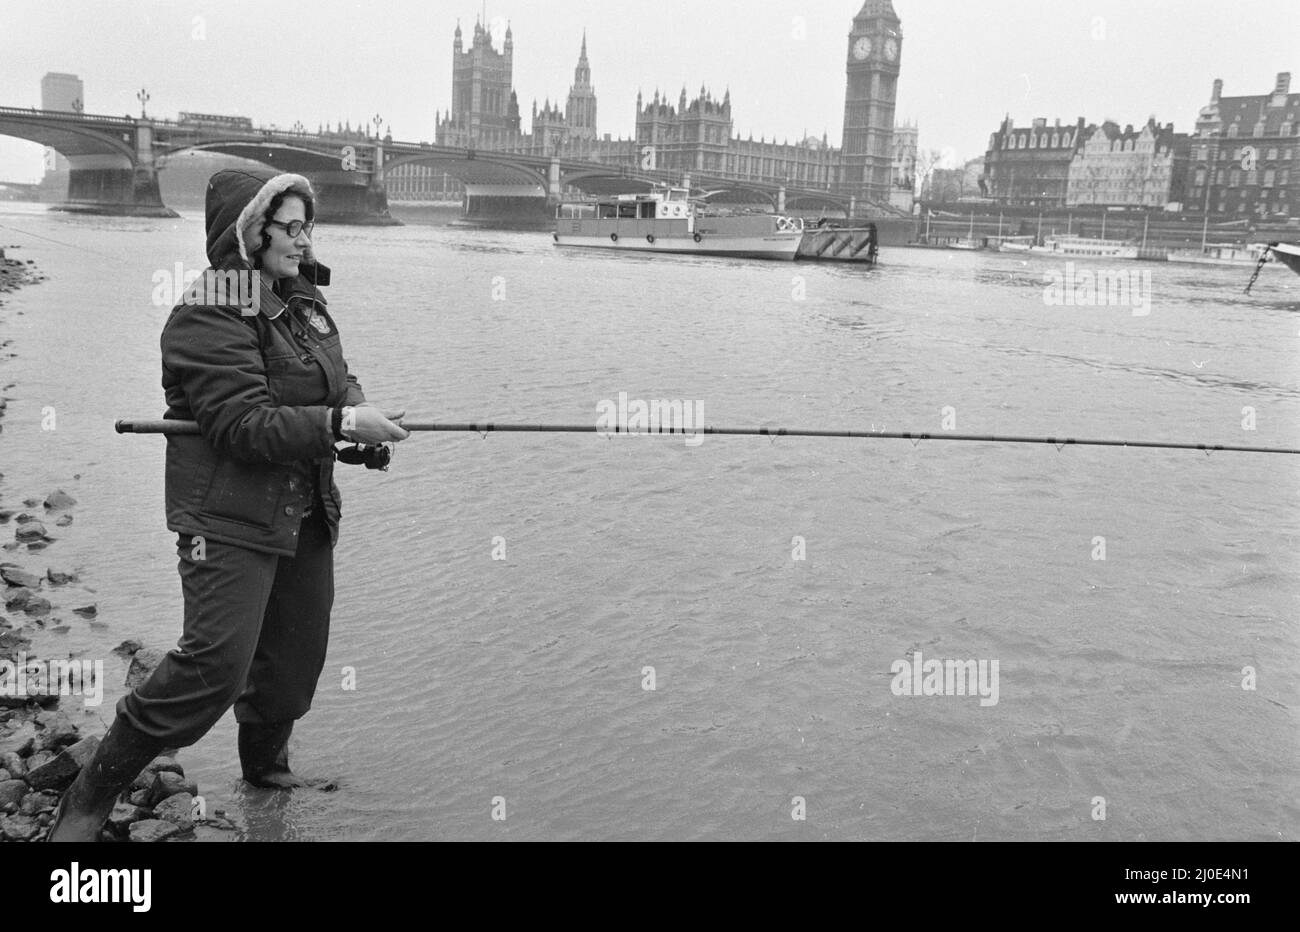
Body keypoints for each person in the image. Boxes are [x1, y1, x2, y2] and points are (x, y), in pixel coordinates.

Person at [49, 169, 409, 841]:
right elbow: (242, 423)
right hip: (227, 517)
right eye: (292, 228)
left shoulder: (298, 298)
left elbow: (335, 377)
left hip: (303, 506)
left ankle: (265, 776)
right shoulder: (211, 307)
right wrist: (339, 426)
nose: (304, 242)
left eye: (309, 226)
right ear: (250, 233)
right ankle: (91, 790)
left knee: (295, 658)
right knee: (214, 665)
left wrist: (356, 417)